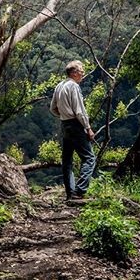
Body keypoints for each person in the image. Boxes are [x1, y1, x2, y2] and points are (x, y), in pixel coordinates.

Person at [50, 60, 96, 200]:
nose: (83, 74)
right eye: (81, 71)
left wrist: (64, 115)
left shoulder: (60, 85)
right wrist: (88, 128)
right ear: (74, 73)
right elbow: (79, 111)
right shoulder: (73, 86)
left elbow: (53, 108)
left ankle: (70, 193)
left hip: (64, 124)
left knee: (67, 160)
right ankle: (80, 190)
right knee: (89, 158)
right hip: (75, 124)